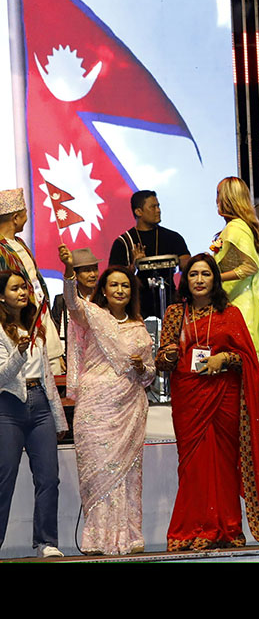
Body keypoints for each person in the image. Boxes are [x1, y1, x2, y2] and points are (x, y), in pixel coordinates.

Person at [155, 254, 259, 550]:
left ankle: (226, 527)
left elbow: (247, 359)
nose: (199, 280)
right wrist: (170, 355)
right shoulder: (176, 313)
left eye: (205, 274)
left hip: (223, 396)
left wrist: (224, 358)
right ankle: (192, 528)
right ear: (185, 280)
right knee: (192, 467)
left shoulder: (231, 313)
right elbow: (163, 359)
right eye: (193, 275)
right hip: (189, 398)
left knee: (224, 464)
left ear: (215, 279)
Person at [58, 246, 156, 555]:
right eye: (113, 284)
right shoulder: (93, 316)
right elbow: (72, 302)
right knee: (98, 475)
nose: (119, 290)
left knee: (127, 475)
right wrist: (69, 271)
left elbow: (149, 374)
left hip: (128, 409)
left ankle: (129, 537)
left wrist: (143, 368)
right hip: (95, 409)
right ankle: (98, 539)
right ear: (104, 289)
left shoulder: (140, 329)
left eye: (125, 285)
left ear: (132, 292)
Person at [0, 269, 68, 558]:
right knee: (5, 476)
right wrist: (18, 352)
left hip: (40, 404)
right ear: (1, 296)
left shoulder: (36, 326)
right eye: (15, 289)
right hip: (8, 405)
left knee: (49, 477)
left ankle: (46, 541)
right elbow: (2, 377)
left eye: (24, 288)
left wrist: (58, 416)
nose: (22, 293)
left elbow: (49, 380)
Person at [213, 176, 259, 401]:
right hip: (238, 303)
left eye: (219, 195)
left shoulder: (235, 228)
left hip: (242, 307)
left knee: (247, 369)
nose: (216, 201)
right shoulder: (234, 228)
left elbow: (249, 266)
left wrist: (215, 278)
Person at [0, 188, 65, 377]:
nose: (27, 217)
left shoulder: (19, 242)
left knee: (52, 364)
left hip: (38, 312)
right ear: (16, 217)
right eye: (26, 213)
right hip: (17, 321)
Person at [108, 190, 190, 318]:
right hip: (136, 309)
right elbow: (113, 279)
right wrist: (134, 265)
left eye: (158, 206)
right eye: (153, 207)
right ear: (138, 212)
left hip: (171, 305)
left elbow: (187, 266)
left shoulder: (173, 237)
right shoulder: (123, 242)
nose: (158, 210)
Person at [51, 247, 100, 349]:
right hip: (70, 352)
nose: (93, 275)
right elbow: (54, 330)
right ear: (75, 274)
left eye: (95, 269)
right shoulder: (62, 300)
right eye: (86, 271)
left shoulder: (103, 298)